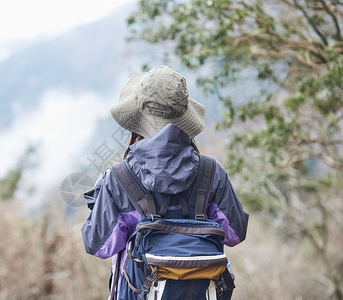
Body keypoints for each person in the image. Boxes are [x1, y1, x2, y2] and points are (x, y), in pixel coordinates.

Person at [81, 65, 249, 299]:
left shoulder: (119, 179)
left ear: (137, 120)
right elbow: (235, 233)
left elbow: (98, 245)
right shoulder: (212, 173)